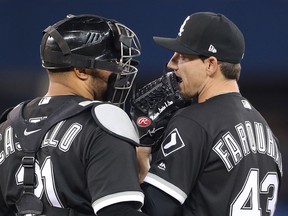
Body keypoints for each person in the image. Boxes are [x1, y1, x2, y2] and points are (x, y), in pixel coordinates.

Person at [0, 14, 148, 216]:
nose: (119, 70)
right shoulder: (105, 120)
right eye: (112, 62)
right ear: (81, 70)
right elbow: (119, 210)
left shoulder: (7, 124)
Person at [139, 12, 283, 216]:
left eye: (183, 56)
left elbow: (153, 211)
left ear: (211, 65)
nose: (172, 63)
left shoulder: (193, 122)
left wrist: (141, 154)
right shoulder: (267, 132)